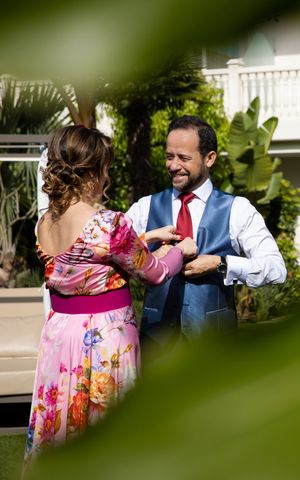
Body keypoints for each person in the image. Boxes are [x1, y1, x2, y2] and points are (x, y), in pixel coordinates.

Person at [24, 125, 197, 467]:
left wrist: (145, 236)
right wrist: (182, 250)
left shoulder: (44, 222)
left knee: (63, 424)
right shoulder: (110, 224)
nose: (107, 177)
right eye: (104, 169)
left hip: (61, 336)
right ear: (90, 171)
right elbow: (155, 273)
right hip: (104, 340)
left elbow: (87, 260)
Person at [126, 115, 286, 347]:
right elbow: (112, 256)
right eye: (169, 157)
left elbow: (276, 269)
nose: (173, 165)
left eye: (184, 158)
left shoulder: (237, 209)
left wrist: (220, 264)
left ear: (209, 158)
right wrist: (147, 254)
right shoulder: (144, 208)